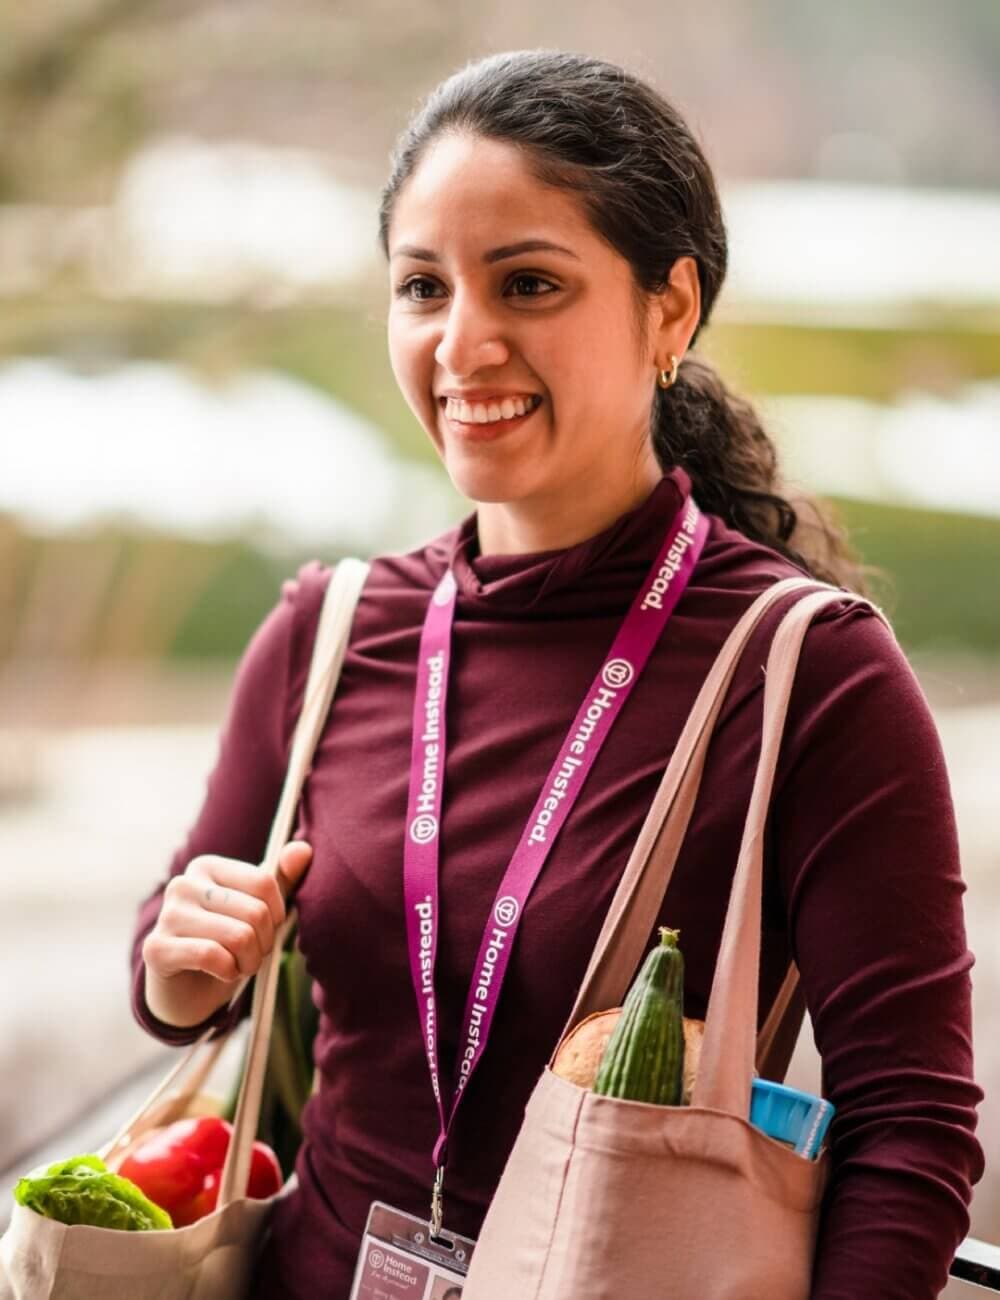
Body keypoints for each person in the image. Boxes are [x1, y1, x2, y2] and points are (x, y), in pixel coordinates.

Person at [131, 49, 984, 1299]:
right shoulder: (330, 631)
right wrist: (181, 960)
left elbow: (910, 1128)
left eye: (527, 283)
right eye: (423, 286)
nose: (462, 343)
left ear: (669, 310)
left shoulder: (808, 673)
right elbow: (176, 979)